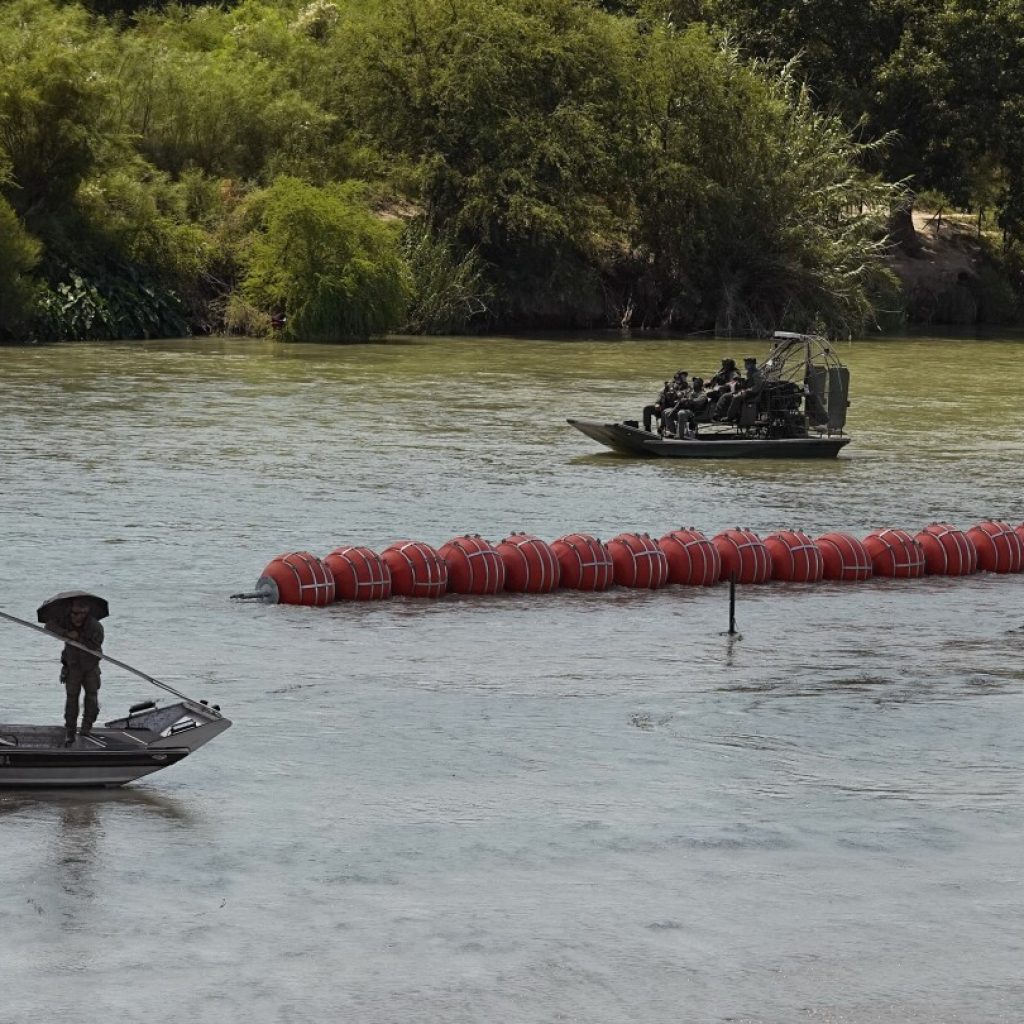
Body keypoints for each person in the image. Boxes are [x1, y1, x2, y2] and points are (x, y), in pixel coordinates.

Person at [52, 599, 104, 744]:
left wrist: (79, 638)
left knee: (92, 697)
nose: (74, 617)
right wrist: (66, 633)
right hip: (72, 665)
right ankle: (70, 731)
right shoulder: (66, 620)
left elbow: (96, 646)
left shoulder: (95, 627)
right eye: (72, 613)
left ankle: (86, 728)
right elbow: (49, 626)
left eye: (78, 614)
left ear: (85, 613)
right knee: (71, 698)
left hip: (90, 666)